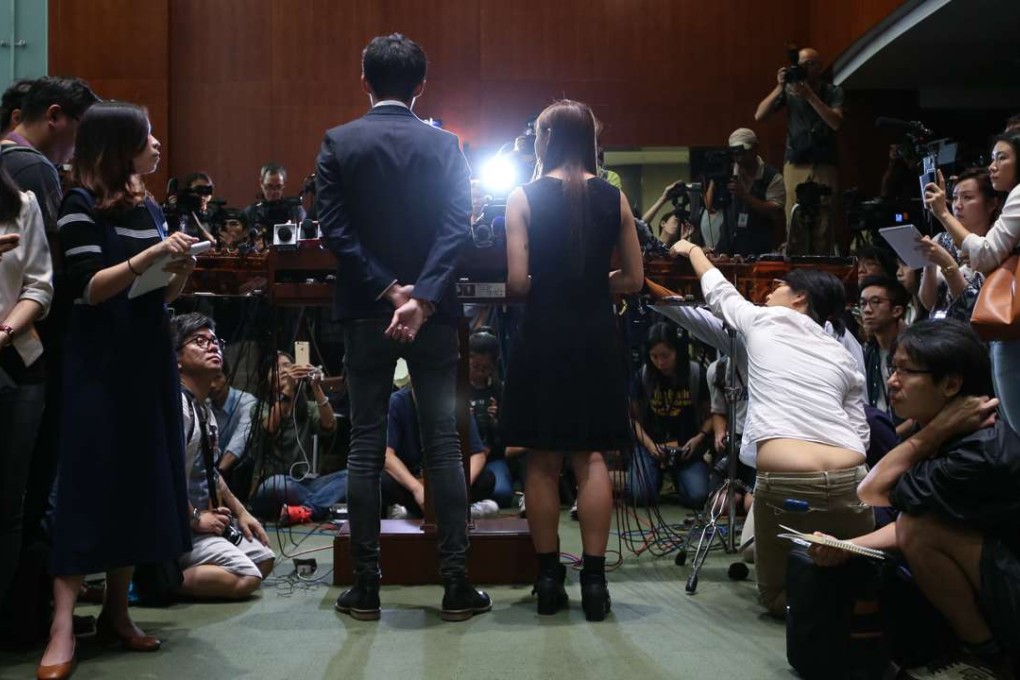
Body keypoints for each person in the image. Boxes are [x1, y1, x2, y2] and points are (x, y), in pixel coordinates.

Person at [316, 32, 489, 622]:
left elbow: (335, 230)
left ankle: (366, 588)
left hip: (365, 307)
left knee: (364, 444)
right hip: (433, 314)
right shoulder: (446, 145)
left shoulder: (338, 141)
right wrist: (423, 297)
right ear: (421, 85)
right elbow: (457, 227)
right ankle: (456, 585)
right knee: (443, 445)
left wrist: (388, 290)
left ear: (364, 80)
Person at [39, 101, 197, 678]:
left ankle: (117, 613)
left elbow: (160, 295)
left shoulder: (147, 205)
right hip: (99, 366)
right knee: (87, 486)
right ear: (118, 146)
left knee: (139, 484)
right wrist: (152, 255)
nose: (156, 144)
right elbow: (88, 289)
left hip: (147, 360)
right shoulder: (79, 204)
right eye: (145, 136)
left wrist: (180, 269)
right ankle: (61, 625)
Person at [671, 238, 872, 617]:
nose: (768, 292)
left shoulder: (765, 321)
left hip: (787, 482)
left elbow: (719, 292)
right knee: (857, 581)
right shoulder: (842, 353)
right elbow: (860, 431)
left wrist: (692, 250)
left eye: (778, 286)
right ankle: (852, 610)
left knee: (776, 597)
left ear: (800, 298)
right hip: (850, 480)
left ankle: (822, 614)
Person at [501, 99, 644, 621]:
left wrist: (554, 283)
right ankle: (596, 582)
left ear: (547, 139)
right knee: (592, 457)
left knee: (541, 458)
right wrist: (592, 283)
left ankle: (547, 580)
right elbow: (633, 279)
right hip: (595, 336)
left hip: (543, 335)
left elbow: (518, 283)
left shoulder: (523, 197)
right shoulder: (615, 197)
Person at [858, 320, 1020, 679]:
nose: (892, 381)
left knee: (917, 529)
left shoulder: (979, 451)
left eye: (905, 371)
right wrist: (844, 546)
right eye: (893, 368)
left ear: (950, 384)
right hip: (1000, 579)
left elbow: (873, 492)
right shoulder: (951, 430)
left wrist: (935, 431)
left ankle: (987, 658)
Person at [173, 313, 275, 600]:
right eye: (199, 341)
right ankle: (154, 581)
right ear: (176, 358)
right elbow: (163, 475)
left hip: (198, 522)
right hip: (178, 526)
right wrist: (195, 517)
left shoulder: (203, 409)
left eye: (214, 340)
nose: (212, 346)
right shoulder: (177, 407)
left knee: (264, 558)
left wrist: (242, 512)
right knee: (247, 577)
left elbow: (211, 473)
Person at [923, 133, 1020, 433]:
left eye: (1002, 158)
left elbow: (986, 255)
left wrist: (941, 213)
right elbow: (927, 301)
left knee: (1013, 425)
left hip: (1010, 327)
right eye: (992, 158)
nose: (993, 166)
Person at [0, 150, 53, 604]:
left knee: (10, 502)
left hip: (17, 358)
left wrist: (4, 332)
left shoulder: (22, 203)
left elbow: (39, 285)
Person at [755, 47, 844, 255]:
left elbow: (836, 123)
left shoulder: (833, 91)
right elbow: (759, 115)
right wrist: (780, 86)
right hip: (795, 161)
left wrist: (809, 95)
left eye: (810, 64)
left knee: (825, 220)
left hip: (824, 162)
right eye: (800, 64)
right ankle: (797, 264)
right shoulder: (789, 91)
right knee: (795, 219)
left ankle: (824, 263)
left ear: (819, 67)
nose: (804, 68)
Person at [248, 352, 343, 525]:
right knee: (278, 484)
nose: (284, 370)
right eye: (276, 368)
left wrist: (316, 386)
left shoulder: (307, 408)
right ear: (267, 378)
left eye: (287, 365)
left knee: (351, 475)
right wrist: (288, 389)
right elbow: (270, 428)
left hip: (304, 483)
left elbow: (329, 425)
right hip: (271, 485)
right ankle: (319, 506)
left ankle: (305, 510)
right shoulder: (260, 407)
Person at [626, 322, 712, 509]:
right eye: (654, 356)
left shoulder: (695, 374)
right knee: (640, 495)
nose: (660, 362)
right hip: (651, 446)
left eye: (665, 355)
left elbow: (711, 415)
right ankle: (652, 477)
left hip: (686, 447)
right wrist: (650, 446)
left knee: (699, 497)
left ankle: (677, 478)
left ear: (677, 351)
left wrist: (699, 438)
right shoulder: (643, 376)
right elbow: (632, 419)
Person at [383, 385, 499, 519]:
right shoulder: (396, 402)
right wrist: (417, 488)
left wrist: (459, 487)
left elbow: (478, 454)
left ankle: (413, 514)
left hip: (448, 481)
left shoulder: (455, 402)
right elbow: (387, 455)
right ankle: (459, 512)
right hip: (411, 480)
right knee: (383, 481)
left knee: (486, 478)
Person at [917, 167, 997, 320]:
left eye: (967, 197)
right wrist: (929, 263)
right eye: (954, 198)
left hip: (973, 330)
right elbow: (928, 303)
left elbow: (972, 306)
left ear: (992, 204)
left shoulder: (995, 245)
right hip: (940, 329)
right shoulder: (941, 240)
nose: (958, 205)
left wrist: (947, 264)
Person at [714, 127, 785, 257]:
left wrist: (745, 196)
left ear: (755, 148)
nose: (739, 159)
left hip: (758, 249)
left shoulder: (771, 176)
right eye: (735, 154)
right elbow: (712, 206)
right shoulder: (728, 172)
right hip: (727, 248)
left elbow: (775, 211)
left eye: (743, 153)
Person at [468, 329, 514, 507]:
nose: (480, 373)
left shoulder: (500, 390)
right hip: (463, 455)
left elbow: (509, 435)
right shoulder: (456, 387)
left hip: (493, 456)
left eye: (485, 368)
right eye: (475, 367)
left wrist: (496, 422)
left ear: (494, 366)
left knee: (501, 494)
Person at [858, 275, 908, 418]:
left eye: (876, 302)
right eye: (863, 303)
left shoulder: (912, 352)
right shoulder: (869, 352)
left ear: (897, 311)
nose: (867, 310)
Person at [242, 162, 304, 231]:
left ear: (284, 185)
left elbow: (304, 234)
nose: (273, 191)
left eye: (278, 186)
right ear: (261, 183)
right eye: (269, 186)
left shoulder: (295, 209)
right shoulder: (251, 212)